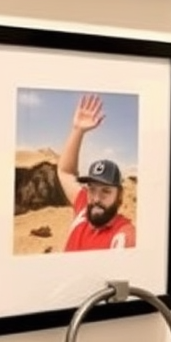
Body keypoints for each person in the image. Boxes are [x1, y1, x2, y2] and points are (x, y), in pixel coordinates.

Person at [57, 94, 136, 252]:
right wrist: (78, 130)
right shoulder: (83, 209)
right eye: (92, 189)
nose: (96, 198)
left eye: (106, 191)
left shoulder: (123, 236)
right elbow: (65, 171)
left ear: (119, 196)